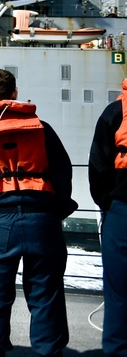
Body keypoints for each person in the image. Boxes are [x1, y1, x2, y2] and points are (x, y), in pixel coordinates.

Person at [0, 68, 76, 357]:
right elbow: (63, 173)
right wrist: (54, 213)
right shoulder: (42, 129)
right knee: (46, 292)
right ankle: (50, 351)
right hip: (42, 218)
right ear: (14, 94)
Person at [89, 78, 127, 355]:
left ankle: (116, 350)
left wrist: (107, 205)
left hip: (122, 208)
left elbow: (98, 166)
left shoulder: (114, 112)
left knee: (118, 291)